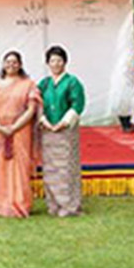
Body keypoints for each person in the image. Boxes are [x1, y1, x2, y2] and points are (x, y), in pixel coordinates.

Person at [0, 50, 41, 218]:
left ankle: (20, 204)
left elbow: (32, 109)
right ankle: (0, 205)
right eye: (8, 62)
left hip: (21, 131)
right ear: (3, 64)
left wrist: (15, 126)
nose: (11, 65)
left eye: (14, 62)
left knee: (20, 167)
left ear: (20, 64)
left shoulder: (28, 84)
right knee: (0, 166)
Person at [38, 45, 86, 217]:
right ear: (47, 63)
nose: (56, 64)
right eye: (52, 61)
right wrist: (44, 121)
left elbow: (77, 104)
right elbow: (36, 104)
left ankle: (70, 206)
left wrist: (63, 123)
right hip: (47, 131)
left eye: (59, 60)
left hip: (66, 131)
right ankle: (53, 205)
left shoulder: (72, 82)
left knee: (67, 168)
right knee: (50, 169)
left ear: (65, 62)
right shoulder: (44, 83)